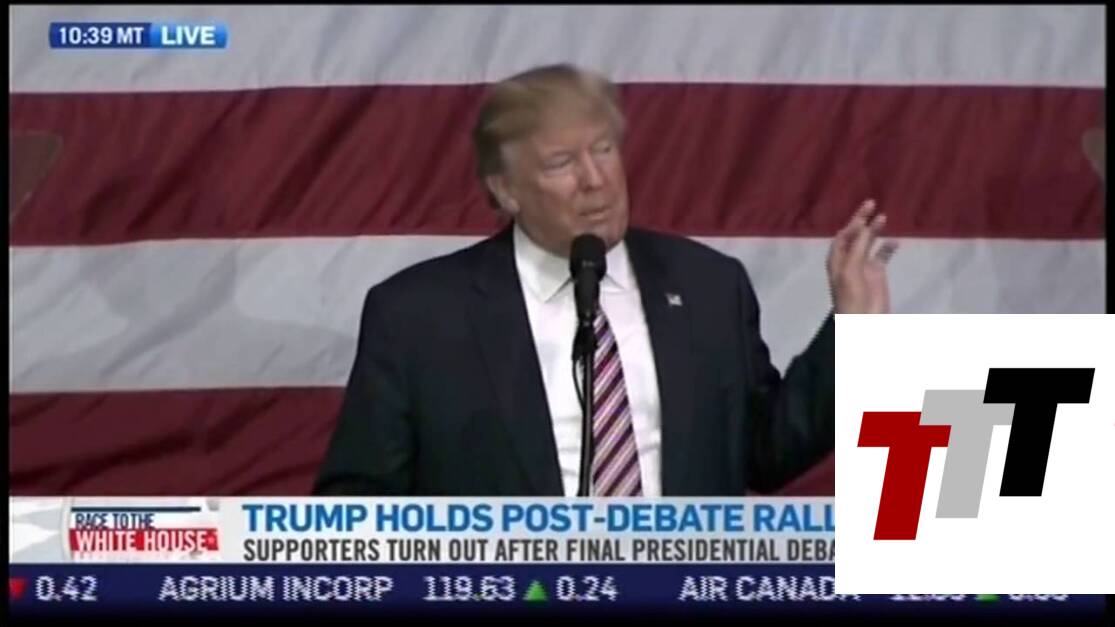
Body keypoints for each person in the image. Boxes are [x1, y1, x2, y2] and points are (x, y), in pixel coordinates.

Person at [313, 64, 895, 497]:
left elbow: (766, 453)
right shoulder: (419, 316)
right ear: (505, 190)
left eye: (604, 149)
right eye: (562, 163)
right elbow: (358, 504)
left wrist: (855, 334)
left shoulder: (708, 286)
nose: (595, 179)